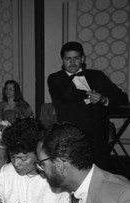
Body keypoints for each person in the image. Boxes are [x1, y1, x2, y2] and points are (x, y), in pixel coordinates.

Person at [48, 41, 128, 169]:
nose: (72, 63)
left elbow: (122, 98)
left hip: (98, 135)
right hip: (70, 136)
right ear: (62, 60)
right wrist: (90, 95)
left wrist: (103, 99)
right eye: (68, 59)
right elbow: (68, 95)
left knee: (98, 173)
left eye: (76, 58)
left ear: (83, 59)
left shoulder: (97, 76)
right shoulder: (55, 78)